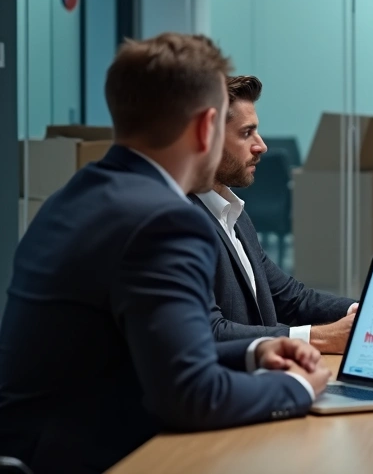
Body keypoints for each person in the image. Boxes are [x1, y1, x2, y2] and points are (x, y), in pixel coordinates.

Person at [0, 34, 330, 473]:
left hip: (33, 450)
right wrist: (298, 389)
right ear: (205, 127)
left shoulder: (73, 196)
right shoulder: (165, 221)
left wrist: (256, 351)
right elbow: (192, 396)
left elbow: (155, 354)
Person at [191, 75, 357, 351]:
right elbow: (209, 332)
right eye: (246, 133)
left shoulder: (234, 214)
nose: (261, 146)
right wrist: (320, 337)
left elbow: (290, 298)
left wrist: (361, 312)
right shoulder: (179, 221)